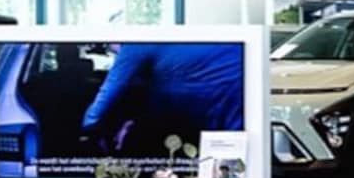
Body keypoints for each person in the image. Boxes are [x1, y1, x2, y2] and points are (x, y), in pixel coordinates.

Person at [80, 43, 244, 155]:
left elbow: (108, 92)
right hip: (240, 91)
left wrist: (86, 130)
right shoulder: (172, 45)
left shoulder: (134, 45)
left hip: (216, 100)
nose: (115, 54)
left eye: (110, 49)